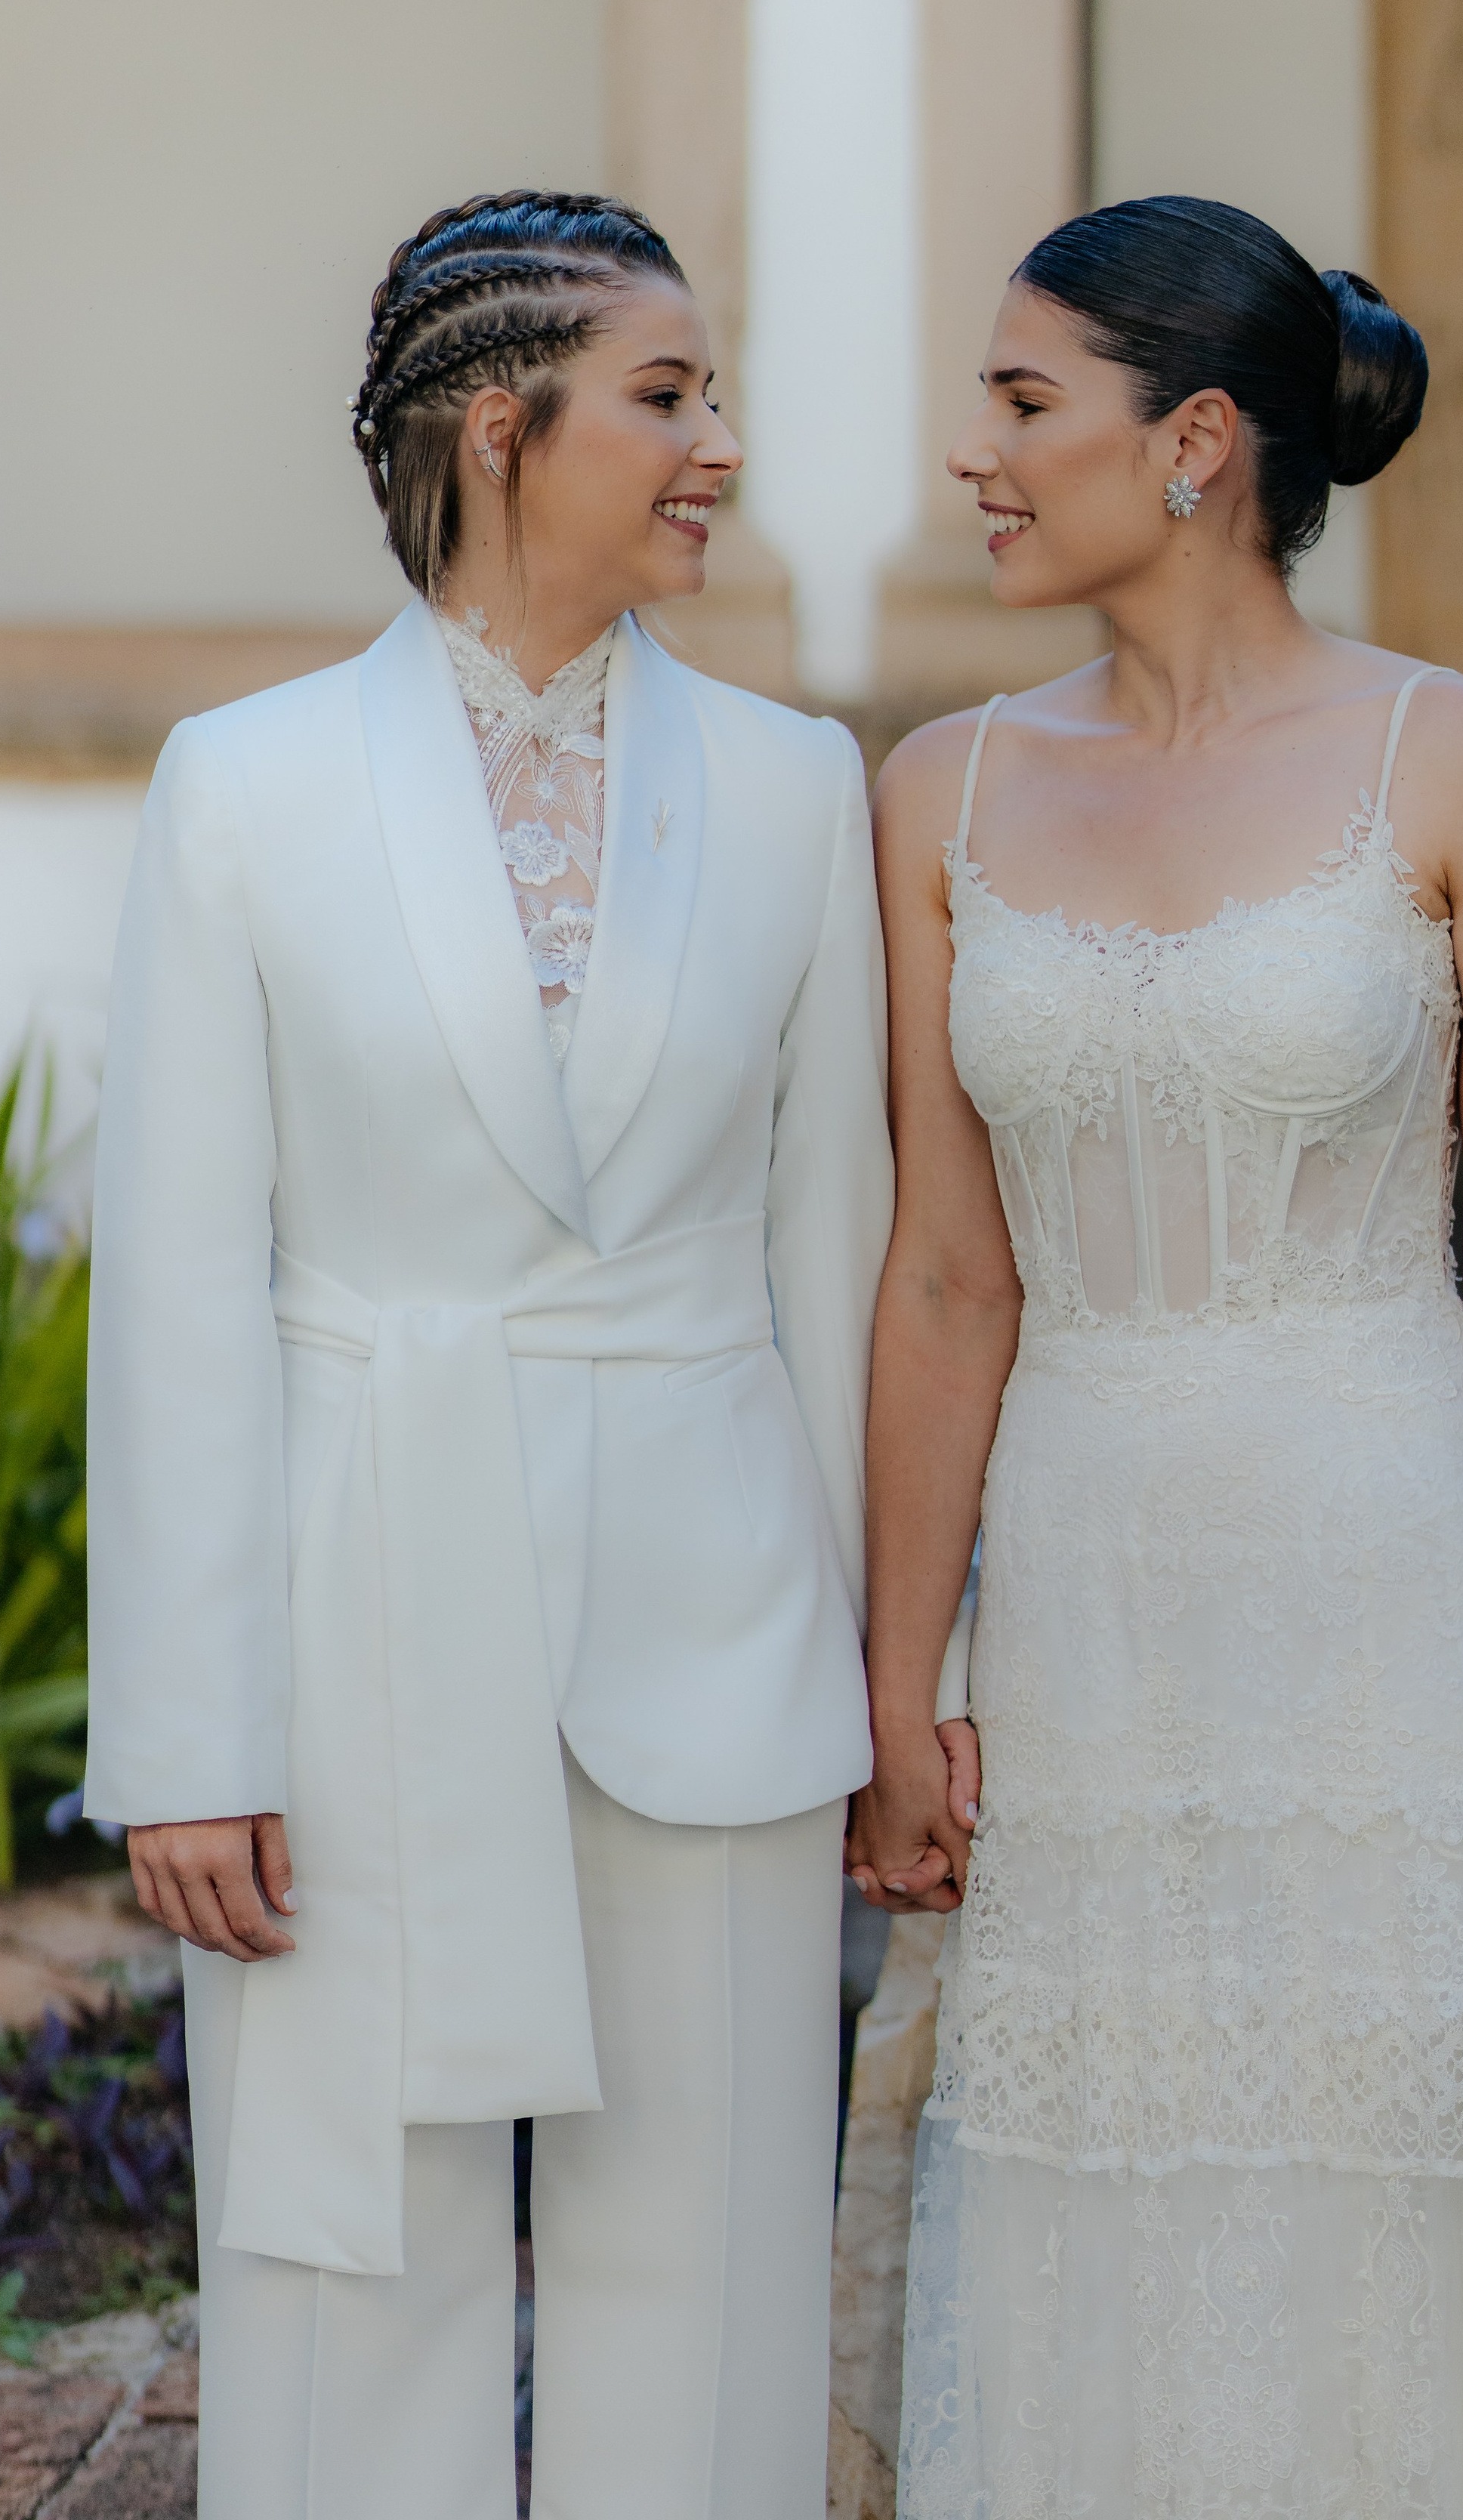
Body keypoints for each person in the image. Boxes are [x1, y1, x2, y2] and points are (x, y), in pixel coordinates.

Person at [847, 196, 1463, 2518]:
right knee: (1104, 2174)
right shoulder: (935, 798)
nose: (971, 452)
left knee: (1427, 2174)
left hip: (1392, 1575)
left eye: (1019, 400)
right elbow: (951, 1275)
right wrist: (897, 1690)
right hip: (1087, 1587)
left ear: (1192, 443)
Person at [84, 190, 952, 2520]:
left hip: (719, 1629)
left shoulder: (793, 789)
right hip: (354, 1606)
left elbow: (831, 1254)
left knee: (716, 2265)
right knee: (350, 2260)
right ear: (503, 428)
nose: (722, 448)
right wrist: (185, 1733)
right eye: (670, 397)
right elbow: (176, 1283)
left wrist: (888, 1688)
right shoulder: (242, 788)